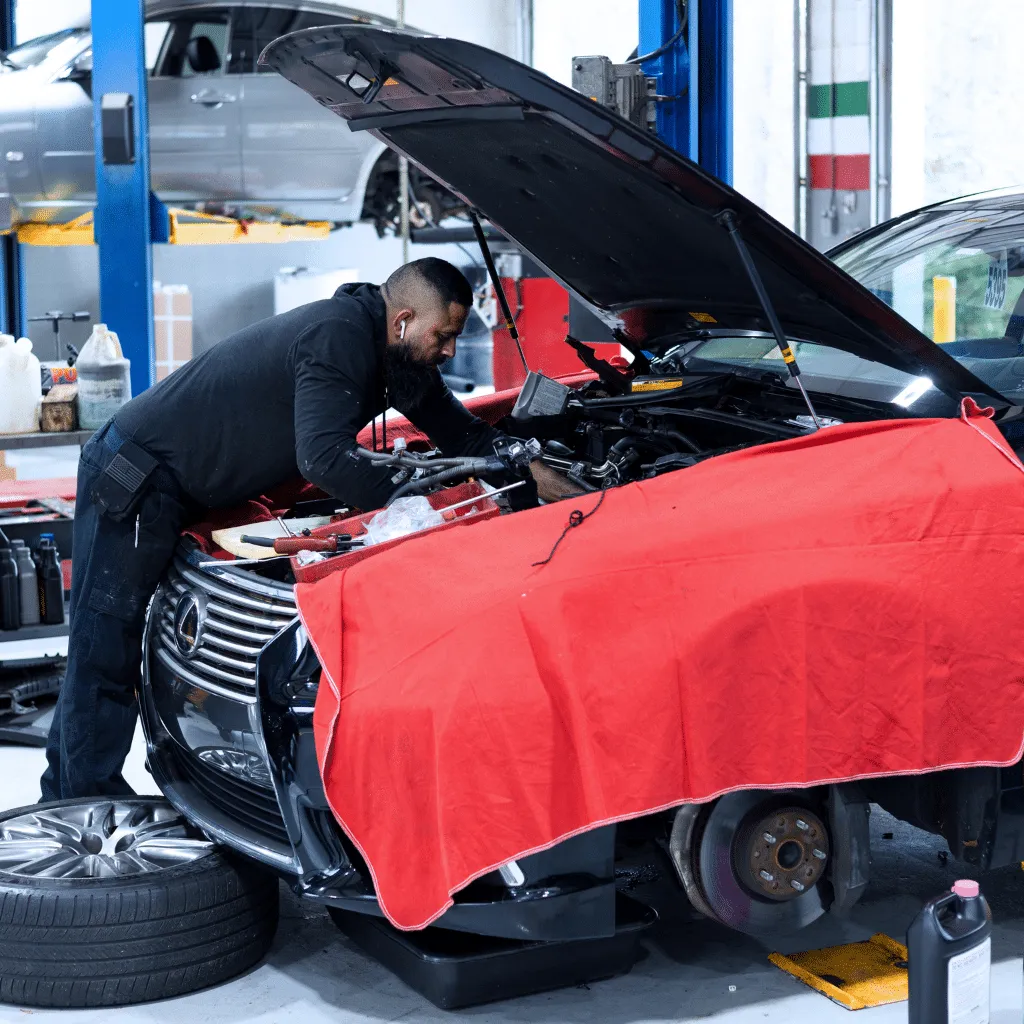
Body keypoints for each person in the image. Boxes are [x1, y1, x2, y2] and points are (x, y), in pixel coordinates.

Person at [41, 258, 574, 801]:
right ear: (404, 320)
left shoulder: (398, 360)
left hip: (177, 483)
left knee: (107, 639)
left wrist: (536, 477)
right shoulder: (338, 336)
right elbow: (323, 459)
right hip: (137, 474)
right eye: (444, 335)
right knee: (105, 641)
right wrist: (415, 508)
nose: (449, 351)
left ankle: (75, 789)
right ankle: (78, 802)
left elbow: (464, 436)